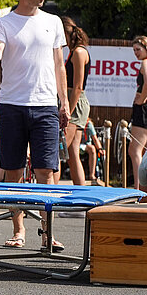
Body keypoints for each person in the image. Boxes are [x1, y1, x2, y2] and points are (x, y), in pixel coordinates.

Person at [0, 0, 70, 251]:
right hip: (11, 105)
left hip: (45, 105)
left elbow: (59, 65)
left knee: (47, 171)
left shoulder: (53, 21)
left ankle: (48, 233)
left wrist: (64, 102)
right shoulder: (4, 23)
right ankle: (18, 230)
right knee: (13, 171)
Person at [60, 17, 91, 185]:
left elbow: (78, 86)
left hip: (75, 103)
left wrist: (67, 112)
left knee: (57, 152)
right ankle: (80, 202)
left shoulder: (79, 52)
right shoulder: (73, 51)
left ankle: (52, 197)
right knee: (72, 154)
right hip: (73, 101)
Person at [129, 36, 147, 191]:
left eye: (138, 49)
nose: (136, 53)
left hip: (142, 110)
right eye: (134, 50)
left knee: (135, 149)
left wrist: (141, 99)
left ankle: (138, 190)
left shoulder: (145, 62)